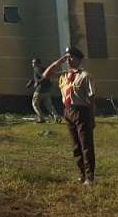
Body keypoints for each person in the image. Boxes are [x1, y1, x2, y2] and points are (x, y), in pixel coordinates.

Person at [42, 47, 97, 186]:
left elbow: (91, 99)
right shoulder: (63, 74)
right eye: (67, 57)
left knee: (86, 145)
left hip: (82, 111)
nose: (68, 60)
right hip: (68, 111)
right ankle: (81, 174)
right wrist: (59, 61)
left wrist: (92, 117)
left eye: (71, 57)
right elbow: (45, 74)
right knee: (75, 146)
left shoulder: (85, 76)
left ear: (78, 59)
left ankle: (90, 177)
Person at [26, 58, 60, 123]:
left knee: (35, 104)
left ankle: (41, 118)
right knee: (49, 105)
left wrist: (37, 83)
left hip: (39, 90)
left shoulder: (36, 69)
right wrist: (32, 83)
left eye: (33, 63)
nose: (32, 64)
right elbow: (40, 77)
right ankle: (57, 117)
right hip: (47, 90)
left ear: (36, 63)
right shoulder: (44, 69)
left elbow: (43, 77)